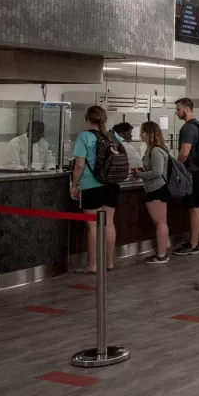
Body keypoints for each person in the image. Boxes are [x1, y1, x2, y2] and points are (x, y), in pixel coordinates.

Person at [70, 106, 122, 274]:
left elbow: (79, 165)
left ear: (87, 119)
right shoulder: (113, 136)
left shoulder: (84, 136)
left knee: (93, 226)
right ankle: (109, 262)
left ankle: (92, 265)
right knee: (109, 222)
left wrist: (74, 185)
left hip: (91, 185)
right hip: (112, 184)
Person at [172, 98, 199, 256]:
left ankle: (192, 244)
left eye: (178, 109)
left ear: (186, 110)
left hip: (190, 172)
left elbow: (185, 152)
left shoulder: (187, 128)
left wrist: (177, 166)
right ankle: (198, 240)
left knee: (193, 208)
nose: (176, 112)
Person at [137, 121, 171, 264]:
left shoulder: (156, 150)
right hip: (156, 188)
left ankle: (161, 254)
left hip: (156, 188)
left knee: (160, 223)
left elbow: (157, 171)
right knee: (161, 222)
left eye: (143, 131)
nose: (140, 135)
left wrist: (140, 174)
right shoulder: (155, 148)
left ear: (149, 133)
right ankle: (161, 252)